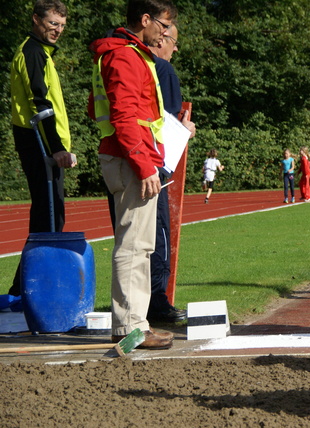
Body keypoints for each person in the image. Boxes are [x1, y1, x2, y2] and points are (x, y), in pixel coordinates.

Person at [88, 0, 189, 349]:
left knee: (140, 245)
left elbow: (103, 109)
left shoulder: (125, 53)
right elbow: (125, 115)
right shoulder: (125, 55)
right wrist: (145, 165)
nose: (165, 33)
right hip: (132, 161)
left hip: (131, 157)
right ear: (144, 20)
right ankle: (131, 327)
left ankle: (136, 323)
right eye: (162, 25)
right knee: (134, 246)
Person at [7, 0, 77, 296]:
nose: (58, 30)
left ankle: (23, 288)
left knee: (50, 216)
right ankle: (26, 290)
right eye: (52, 23)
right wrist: (58, 148)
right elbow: (41, 106)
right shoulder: (33, 53)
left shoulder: (41, 53)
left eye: (61, 25)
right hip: (38, 143)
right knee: (48, 217)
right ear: (36, 20)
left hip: (43, 143)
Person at [146, 22, 194, 323]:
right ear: (162, 38)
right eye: (174, 41)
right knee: (157, 235)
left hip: (125, 157)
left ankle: (136, 305)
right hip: (154, 164)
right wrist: (185, 130)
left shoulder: (123, 62)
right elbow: (168, 120)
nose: (175, 48)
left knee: (133, 239)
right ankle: (157, 301)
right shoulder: (163, 70)